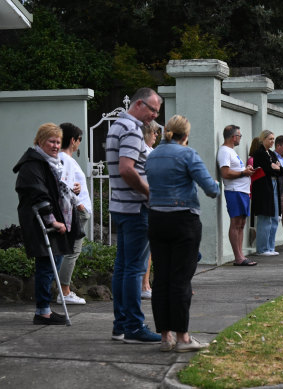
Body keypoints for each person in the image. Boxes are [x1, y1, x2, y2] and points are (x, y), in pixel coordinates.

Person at [145, 114, 220, 352]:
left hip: (156, 219)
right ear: (186, 135)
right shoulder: (188, 154)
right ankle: (183, 338)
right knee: (180, 279)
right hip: (183, 220)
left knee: (162, 278)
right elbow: (210, 189)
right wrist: (218, 186)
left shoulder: (153, 154)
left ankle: (165, 336)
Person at [106, 87, 162, 343]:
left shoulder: (118, 125)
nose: (154, 116)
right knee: (134, 269)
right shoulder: (130, 129)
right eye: (153, 110)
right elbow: (127, 170)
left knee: (123, 268)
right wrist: (149, 192)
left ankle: (121, 325)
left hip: (121, 206)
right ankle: (133, 327)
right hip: (135, 207)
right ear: (139, 104)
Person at [13, 122, 83, 325]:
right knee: (46, 266)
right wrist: (53, 222)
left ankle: (44, 309)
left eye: (58, 142)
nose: (55, 146)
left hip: (55, 222)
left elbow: (56, 189)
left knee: (52, 266)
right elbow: (38, 195)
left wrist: (73, 190)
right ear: (39, 142)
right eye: (51, 141)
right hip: (44, 223)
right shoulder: (33, 165)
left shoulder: (50, 162)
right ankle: (43, 312)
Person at [56, 122, 91, 305]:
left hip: (78, 211)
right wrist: (80, 207)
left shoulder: (66, 159)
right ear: (73, 140)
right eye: (79, 140)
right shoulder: (65, 159)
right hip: (77, 212)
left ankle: (64, 290)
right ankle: (64, 291)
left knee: (71, 251)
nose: (79, 143)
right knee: (72, 251)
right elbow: (64, 187)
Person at [217, 125, 257, 266]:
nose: (240, 138)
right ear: (233, 137)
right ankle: (238, 257)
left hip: (243, 191)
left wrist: (245, 170)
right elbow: (225, 173)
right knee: (236, 223)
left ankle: (241, 255)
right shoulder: (224, 151)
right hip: (234, 191)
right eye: (239, 136)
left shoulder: (231, 151)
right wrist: (243, 173)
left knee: (241, 223)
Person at [252, 130, 283, 256]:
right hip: (264, 187)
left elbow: (280, 170)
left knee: (275, 217)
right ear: (263, 139)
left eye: (273, 139)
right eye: (270, 139)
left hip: (274, 185)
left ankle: (270, 246)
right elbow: (267, 169)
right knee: (265, 218)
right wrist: (275, 168)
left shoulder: (271, 153)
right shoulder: (259, 153)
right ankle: (262, 248)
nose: (272, 141)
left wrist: (276, 167)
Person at [139, 120, 161, 300]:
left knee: (151, 248)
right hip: (147, 202)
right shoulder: (144, 153)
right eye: (154, 132)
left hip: (153, 203)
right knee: (146, 247)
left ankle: (146, 283)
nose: (156, 136)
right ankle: (144, 284)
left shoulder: (151, 152)